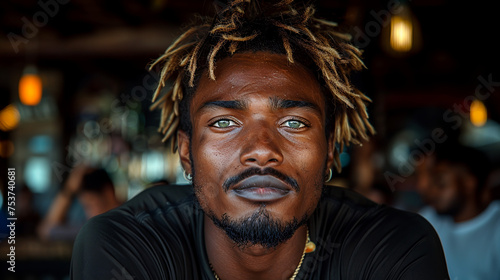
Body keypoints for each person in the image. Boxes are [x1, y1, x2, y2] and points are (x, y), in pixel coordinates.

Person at [71, 1, 449, 279]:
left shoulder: (393, 249)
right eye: (223, 122)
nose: (262, 151)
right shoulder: (127, 246)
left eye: (294, 123)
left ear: (330, 151)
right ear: (186, 153)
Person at [417, 144, 499, 280]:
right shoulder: (430, 220)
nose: (433, 191)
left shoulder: (496, 227)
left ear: (469, 183)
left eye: (441, 184)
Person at [38, 165, 121, 241]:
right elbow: (46, 231)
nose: (89, 213)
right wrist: (69, 190)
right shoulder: (90, 228)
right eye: (85, 207)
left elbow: (46, 230)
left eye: (91, 205)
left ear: (108, 194)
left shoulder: (118, 225)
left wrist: (69, 190)